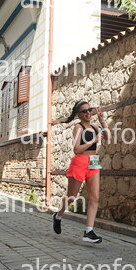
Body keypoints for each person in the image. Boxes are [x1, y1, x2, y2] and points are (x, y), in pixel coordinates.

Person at [53, 101, 109, 243]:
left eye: (90, 110)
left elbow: (108, 137)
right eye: (85, 111)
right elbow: (76, 149)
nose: (88, 113)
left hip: (93, 162)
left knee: (94, 198)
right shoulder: (78, 127)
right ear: (79, 115)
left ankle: (88, 232)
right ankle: (58, 215)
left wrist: (103, 121)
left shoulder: (95, 127)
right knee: (72, 197)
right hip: (80, 162)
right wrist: (94, 140)